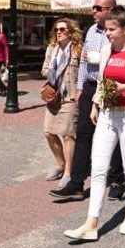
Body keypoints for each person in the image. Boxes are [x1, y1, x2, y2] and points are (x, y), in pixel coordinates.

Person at [63, 6, 125, 241]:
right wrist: (95, 103)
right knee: (99, 168)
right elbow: (102, 82)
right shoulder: (105, 51)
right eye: (106, 30)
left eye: (112, 29)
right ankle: (91, 223)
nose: (108, 34)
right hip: (107, 113)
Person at [50, 0, 125, 201]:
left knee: (115, 133)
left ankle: (117, 180)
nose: (94, 11)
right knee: (83, 133)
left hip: (113, 87)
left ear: (110, 9)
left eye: (98, 8)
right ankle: (76, 183)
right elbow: (84, 62)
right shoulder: (92, 31)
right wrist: (79, 87)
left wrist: (100, 58)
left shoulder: (124, 30)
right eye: (93, 7)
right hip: (91, 86)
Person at [41, 18, 82, 189]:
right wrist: (53, 69)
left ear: (71, 32)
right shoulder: (52, 49)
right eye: (56, 30)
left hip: (71, 96)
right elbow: (44, 70)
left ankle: (68, 172)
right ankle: (60, 163)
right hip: (54, 96)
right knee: (48, 132)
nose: (59, 32)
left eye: (63, 29)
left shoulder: (78, 49)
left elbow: (84, 73)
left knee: (68, 135)